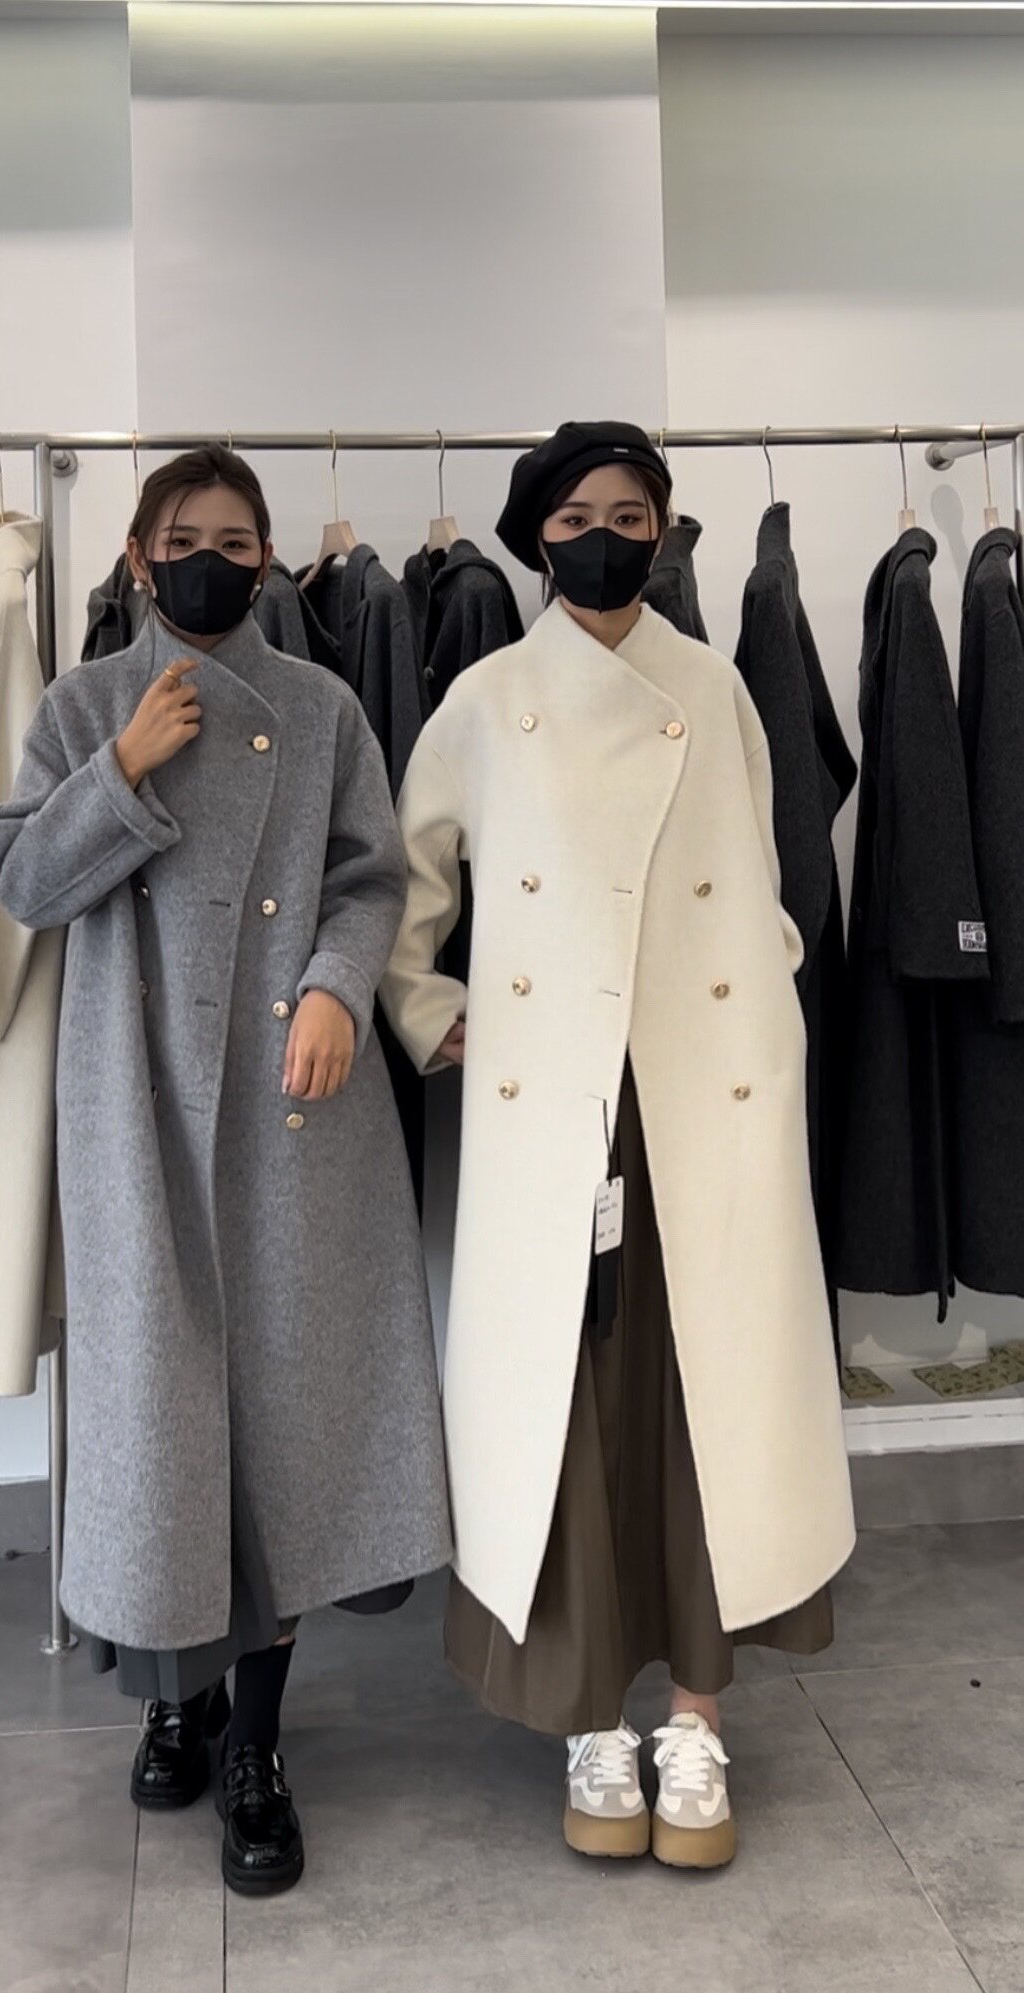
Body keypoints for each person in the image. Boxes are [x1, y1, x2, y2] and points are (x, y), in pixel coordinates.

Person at [381, 421, 855, 1871]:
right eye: (580, 514)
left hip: (704, 1095)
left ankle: (695, 1718)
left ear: (662, 531)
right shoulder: (485, 699)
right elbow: (404, 887)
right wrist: (434, 1013)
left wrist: (766, 996)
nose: (606, 536)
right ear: (538, 535)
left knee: (706, 1394)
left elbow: (767, 873)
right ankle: (591, 1717)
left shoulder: (712, 685)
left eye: (632, 513)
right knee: (570, 1401)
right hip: (557, 1112)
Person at [0, 445, 451, 1897]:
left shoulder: (318, 706)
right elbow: (18, 886)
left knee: (281, 1426)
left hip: (293, 1109)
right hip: (137, 1109)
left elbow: (371, 877)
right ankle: (169, 1699)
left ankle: (255, 1739)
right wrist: (122, 770)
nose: (208, 559)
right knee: (160, 1426)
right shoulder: (81, 708)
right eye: (181, 537)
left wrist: (335, 987)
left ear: (267, 559)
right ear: (136, 557)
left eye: (235, 540)